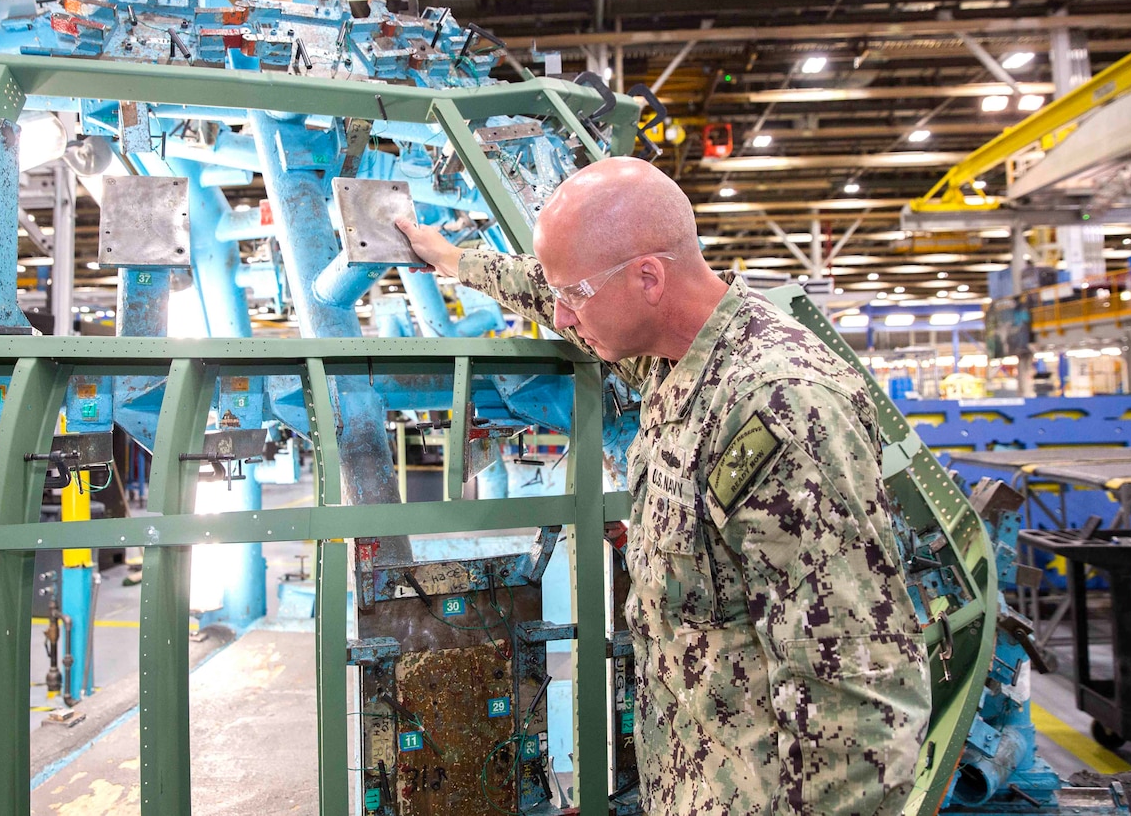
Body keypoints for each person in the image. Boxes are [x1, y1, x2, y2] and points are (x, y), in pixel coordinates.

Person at [395, 157, 931, 816]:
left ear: (649, 278)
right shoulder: (673, 349)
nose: (562, 314)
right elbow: (551, 287)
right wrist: (451, 260)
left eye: (576, 295)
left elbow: (858, 697)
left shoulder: (778, 406)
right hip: (694, 778)